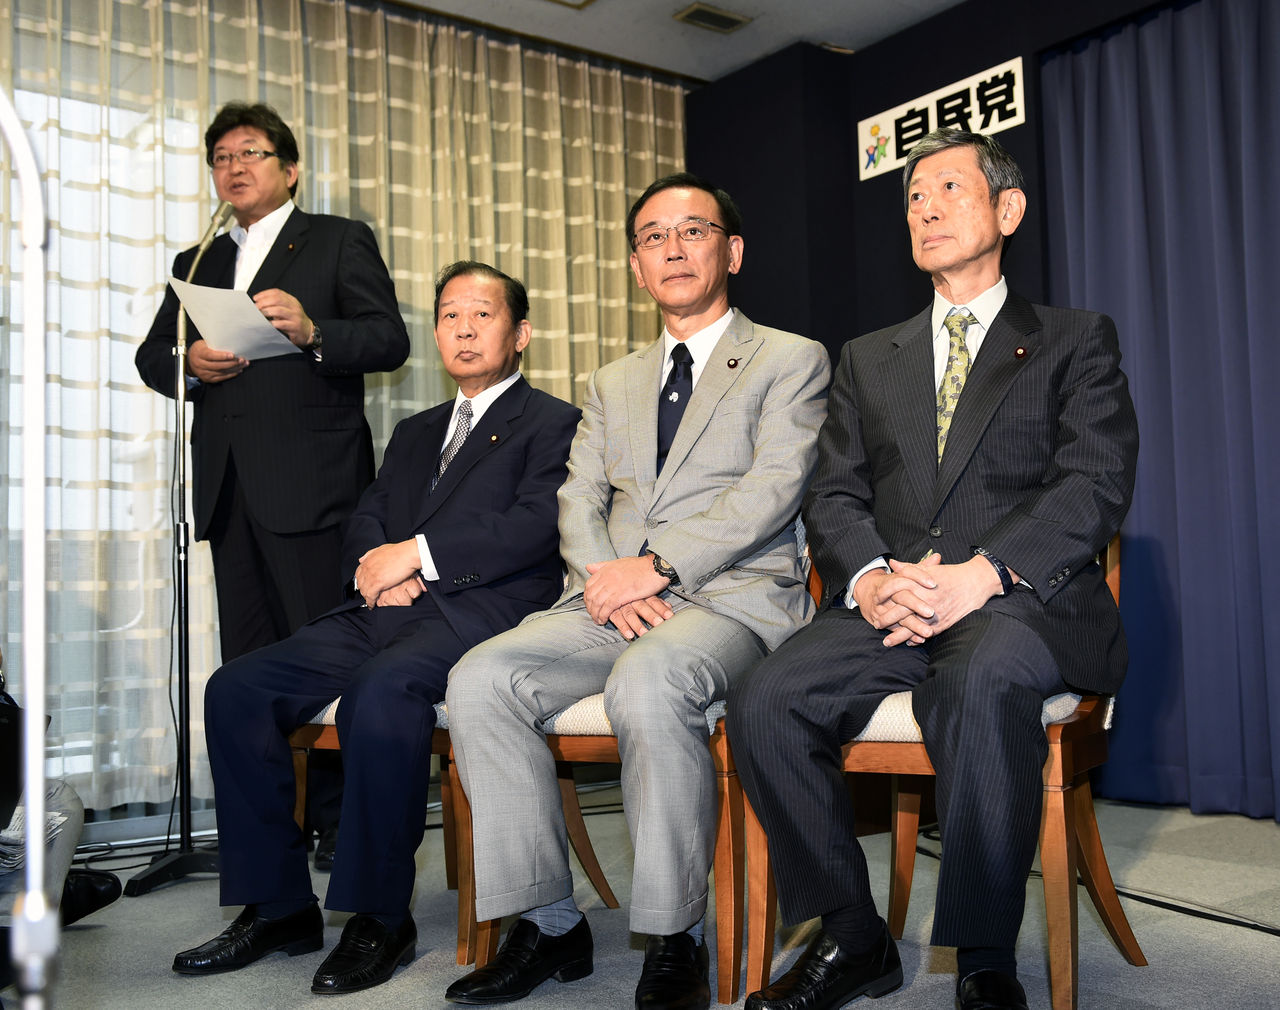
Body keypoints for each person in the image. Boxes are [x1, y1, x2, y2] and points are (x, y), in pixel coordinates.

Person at [728, 128, 1139, 1010]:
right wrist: (872, 579)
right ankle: (853, 937)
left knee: (983, 678)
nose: (926, 208)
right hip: (892, 603)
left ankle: (984, 956)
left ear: (1008, 209)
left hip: (1019, 604)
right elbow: (834, 493)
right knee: (765, 697)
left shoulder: (1074, 340)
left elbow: (1094, 482)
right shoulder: (868, 357)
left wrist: (983, 574)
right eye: (914, 197)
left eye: (949, 188)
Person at [443, 174, 831, 1010]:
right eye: (654, 237)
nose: (672, 249)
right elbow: (577, 498)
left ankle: (672, 935)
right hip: (610, 599)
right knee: (480, 678)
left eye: (693, 231)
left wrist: (655, 567)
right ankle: (550, 925)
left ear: (732, 251)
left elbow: (773, 490)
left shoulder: (790, 358)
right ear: (635, 265)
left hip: (731, 599)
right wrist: (609, 582)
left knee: (650, 680)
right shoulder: (612, 381)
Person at [169, 261, 581, 996]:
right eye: (449, 315)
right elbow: (371, 511)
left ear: (520, 334)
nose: (463, 329)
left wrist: (417, 557)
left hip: (478, 614)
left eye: (482, 315)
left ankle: (380, 916)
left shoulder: (555, 423)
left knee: (381, 693)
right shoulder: (418, 430)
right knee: (236, 688)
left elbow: (533, 527)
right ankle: (279, 907)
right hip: (384, 606)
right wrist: (372, 566)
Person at [134, 103, 411, 863]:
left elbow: (388, 340)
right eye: (221, 157)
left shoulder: (336, 239)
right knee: (250, 666)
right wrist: (189, 363)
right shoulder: (197, 260)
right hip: (228, 490)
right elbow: (152, 357)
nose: (234, 167)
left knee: (327, 656)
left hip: (314, 486)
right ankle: (268, 832)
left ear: (290, 169)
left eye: (250, 152)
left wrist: (314, 331)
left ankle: (339, 820)